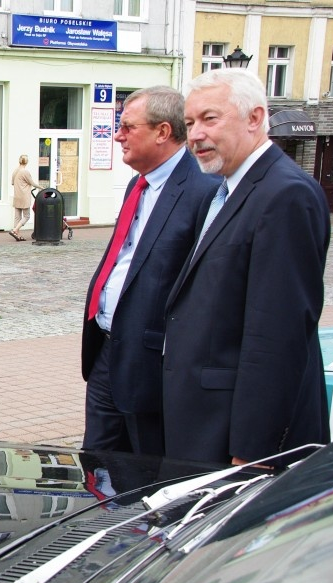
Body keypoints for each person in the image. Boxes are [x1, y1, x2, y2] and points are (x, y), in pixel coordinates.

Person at [164, 68, 330, 465]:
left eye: (209, 118)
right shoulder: (224, 190)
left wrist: (253, 450)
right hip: (207, 421)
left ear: (255, 118)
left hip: (240, 438)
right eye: (189, 123)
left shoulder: (285, 194)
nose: (196, 135)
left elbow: (278, 334)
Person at [81, 86, 220, 456]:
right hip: (106, 350)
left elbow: (205, 289)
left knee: (146, 471)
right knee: (95, 463)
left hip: (153, 364)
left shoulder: (204, 190)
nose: (117, 135)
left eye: (127, 126)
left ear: (162, 131)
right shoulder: (136, 185)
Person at [10, 154, 42, 241]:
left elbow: (12, 183)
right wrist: (42, 188)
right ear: (27, 162)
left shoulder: (15, 171)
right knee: (27, 216)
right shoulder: (25, 172)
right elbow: (32, 183)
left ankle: (17, 235)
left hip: (17, 195)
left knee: (17, 217)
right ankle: (15, 230)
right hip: (24, 196)